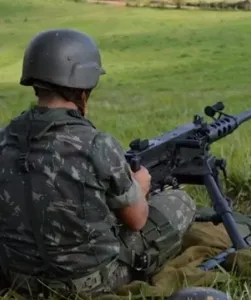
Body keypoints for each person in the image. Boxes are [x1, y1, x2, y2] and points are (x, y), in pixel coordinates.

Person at [0, 28, 196, 298]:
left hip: (19, 278)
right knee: (180, 202)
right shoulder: (96, 144)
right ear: (84, 87)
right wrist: (139, 186)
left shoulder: (5, 137)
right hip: (89, 283)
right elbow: (137, 220)